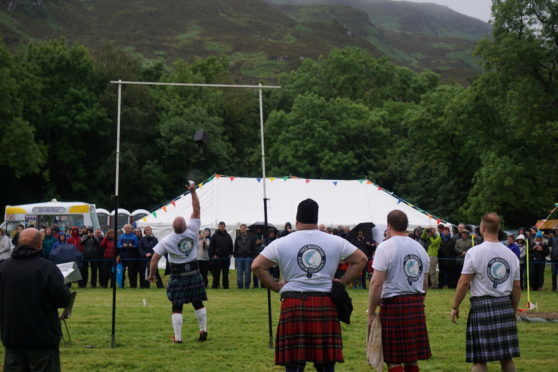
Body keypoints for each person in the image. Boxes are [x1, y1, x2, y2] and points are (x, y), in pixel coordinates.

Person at [252, 198, 367, 372]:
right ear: (316, 220)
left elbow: (257, 266)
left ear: (296, 220)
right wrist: (341, 282)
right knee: (326, 365)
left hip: (293, 304)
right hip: (325, 303)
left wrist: (277, 286)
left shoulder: (282, 242)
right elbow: (361, 259)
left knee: (294, 365)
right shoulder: (335, 241)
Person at [451, 213, 521, 371]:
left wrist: (455, 306)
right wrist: (513, 310)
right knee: (506, 358)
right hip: (504, 305)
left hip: (481, 305)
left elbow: (464, 282)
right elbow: (517, 287)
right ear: (499, 229)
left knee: (480, 360)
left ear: (482, 228)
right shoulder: (511, 255)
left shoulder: (474, 252)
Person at [0, 228, 72, 372]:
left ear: (18, 243)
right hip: (42, 338)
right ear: (40, 245)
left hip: (12, 336)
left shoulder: (3, 268)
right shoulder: (47, 268)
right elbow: (63, 300)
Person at [368, 210, 431, 372]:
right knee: (411, 359)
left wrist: (371, 312)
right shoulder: (420, 249)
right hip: (415, 303)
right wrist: (419, 302)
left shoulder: (384, 247)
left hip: (394, 305)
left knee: (393, 359)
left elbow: (376, 283)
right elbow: (425, 283)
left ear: (389, 225)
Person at [149, 182, 208, 343]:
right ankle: (203, 330)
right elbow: (197, 209)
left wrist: (151, 274)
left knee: (177, 305)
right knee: (197, 302)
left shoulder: (167, 241)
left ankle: (178, 337)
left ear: (173, 228)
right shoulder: (193, 230)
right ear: (185, 225)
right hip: (194, 273)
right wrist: (193, 192)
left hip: (178, 275)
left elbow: (154, 258)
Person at [209, 221, 233, 289]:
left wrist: (231, 253)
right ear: (218, 226)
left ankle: (226, 286)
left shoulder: (228, 235)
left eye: (223, 226)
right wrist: (213, 255)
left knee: (225, 273)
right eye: (220, 226)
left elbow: (231, 245)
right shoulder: (214, 235)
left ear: (224, 226)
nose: (222, 227)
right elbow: (211, 246)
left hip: (226, 258)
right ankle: (215, 285)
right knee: (216, 273)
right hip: (217, 257)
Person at [117, 224, 140, 288]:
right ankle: (121, 286)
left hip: (131, 257)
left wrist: (132, 246)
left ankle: (133, 286)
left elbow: (137, 245)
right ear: (124, 229)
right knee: (122, 272)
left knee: (132, 273)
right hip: (123, 257)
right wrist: (122, 246)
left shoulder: (134, 237)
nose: (127, 229)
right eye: (126, 228)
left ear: (131, 229)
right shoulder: (121, 236)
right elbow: (118, 245)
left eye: (128, 228)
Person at [233, 223, 255, 289]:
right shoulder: (237, 237)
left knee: (248, 273)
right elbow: (235, 247)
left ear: (246, 229)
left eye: (244, 227)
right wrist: (235, 255)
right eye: (242, 227)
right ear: (240, 229)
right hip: (239, 257)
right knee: (239, 273)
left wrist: (252, 256)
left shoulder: (250, 237)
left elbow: (252, 247)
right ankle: (240, 286)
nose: (243, 229)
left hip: (248, 257)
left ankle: (247, 286)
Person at [549, 227, 558, 291]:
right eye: (556, 230)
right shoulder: (552, 238)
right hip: (554, 258)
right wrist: (550, 237)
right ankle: (554, 288)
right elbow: (549, 244)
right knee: (553, 274)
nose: (556, 231)